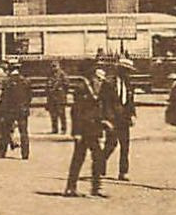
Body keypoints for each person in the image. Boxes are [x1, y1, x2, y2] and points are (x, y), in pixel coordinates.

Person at [64, 65, 109, 197]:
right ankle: (70, 187)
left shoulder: (98, 91)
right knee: (78, 159)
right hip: (83, 131)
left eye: (102, 80)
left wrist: (103, 122)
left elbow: (99, 110)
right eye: (99, 79)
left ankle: (96, 187)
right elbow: (76, 112)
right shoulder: (82, 88)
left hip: (94, 130)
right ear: (93, 78)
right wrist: (76, 132)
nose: (100, 82)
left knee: (98, 157)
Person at [99, 57, 137, 181]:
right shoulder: (109, 83)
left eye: (129, 71)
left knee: (125, 146)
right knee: (111, 144)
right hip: (112, 119)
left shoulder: (129, 84)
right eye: (125, 70)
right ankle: (99, 164)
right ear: (119, 69)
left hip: (124, 119)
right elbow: (104, 103)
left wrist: (132, 114)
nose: (127, 73)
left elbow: (131, 101)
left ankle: (123, 172)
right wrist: (107, 120)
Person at [0, 64, 32, 159]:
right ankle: (25, 153)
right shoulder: (26, 81)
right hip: (22, 110)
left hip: (9, 110)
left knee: (5, 131)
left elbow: (4, 98)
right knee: (23, 132)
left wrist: (2, 110)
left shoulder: (7, 82)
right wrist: (26, 105)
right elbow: (29, 97)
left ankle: (2, 151)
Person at [46, 64, 69, 134]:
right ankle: (54, 129)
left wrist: (61, 90)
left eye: (55, 66)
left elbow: (67, 84)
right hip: (52, 97)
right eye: (52, 66)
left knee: (61, 114)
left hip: (60, 97)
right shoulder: (50, 75)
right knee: (53, 114)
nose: (54, 68)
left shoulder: (62, 74)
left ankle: (63, 128)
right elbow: (47, 85)